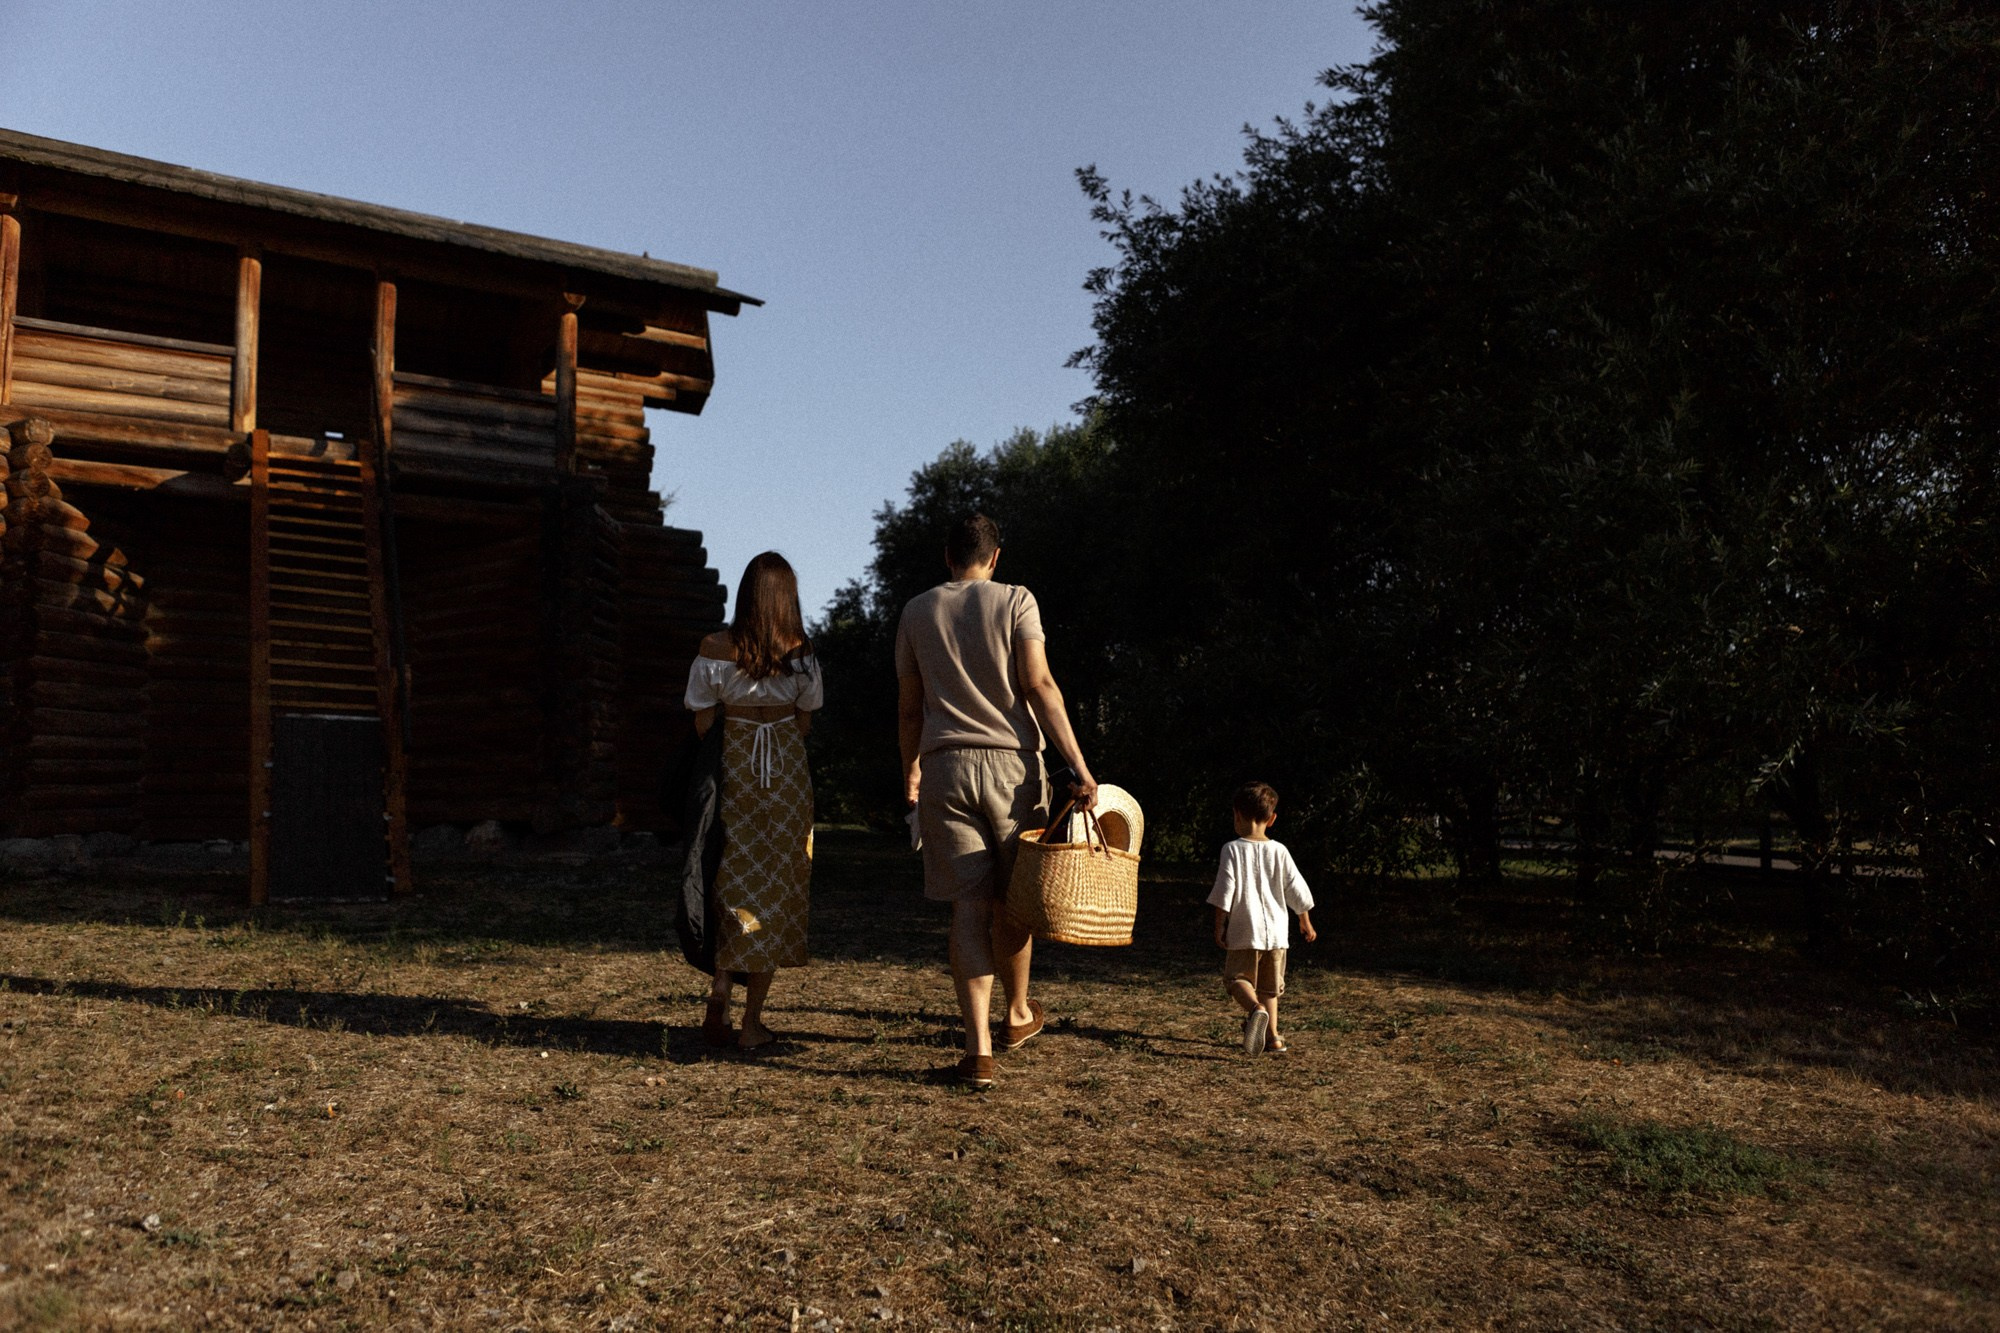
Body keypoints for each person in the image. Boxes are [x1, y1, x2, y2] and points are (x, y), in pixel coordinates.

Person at [896, 513, 1097, 1088]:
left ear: (947, 555)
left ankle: (978, 1050)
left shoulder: (915, 611)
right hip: (1012, 771)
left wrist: (910, 770)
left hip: (943, 768)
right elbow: (1038, 684)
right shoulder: (1016, 600)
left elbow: (910, 707)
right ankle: (1016, 1014)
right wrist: (1078, 767)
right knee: (1015, 901)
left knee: (967, 908)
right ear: (996, 556)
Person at [684, 552, 823, 1051]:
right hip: (785, 773)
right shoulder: (801, 652)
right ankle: (752, 1024)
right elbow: (806, 721)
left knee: (731, 872)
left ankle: (720, 983)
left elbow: (701, 717)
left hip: (735, 766)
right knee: (778, 884)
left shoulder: (714, 648)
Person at [1208, 781, 1316, 1055]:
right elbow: (1296, 887)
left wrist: (1220, 924)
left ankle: (1254, 1010)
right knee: (1270, 989)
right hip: (1278, 933)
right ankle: (1274, 1039)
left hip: (1246, 930)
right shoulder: (1279, 851)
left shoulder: (1232, 849)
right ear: (1272, 819)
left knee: (1236, 979)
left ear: (1237, 815)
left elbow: (1225, 890)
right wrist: (1305, 920)